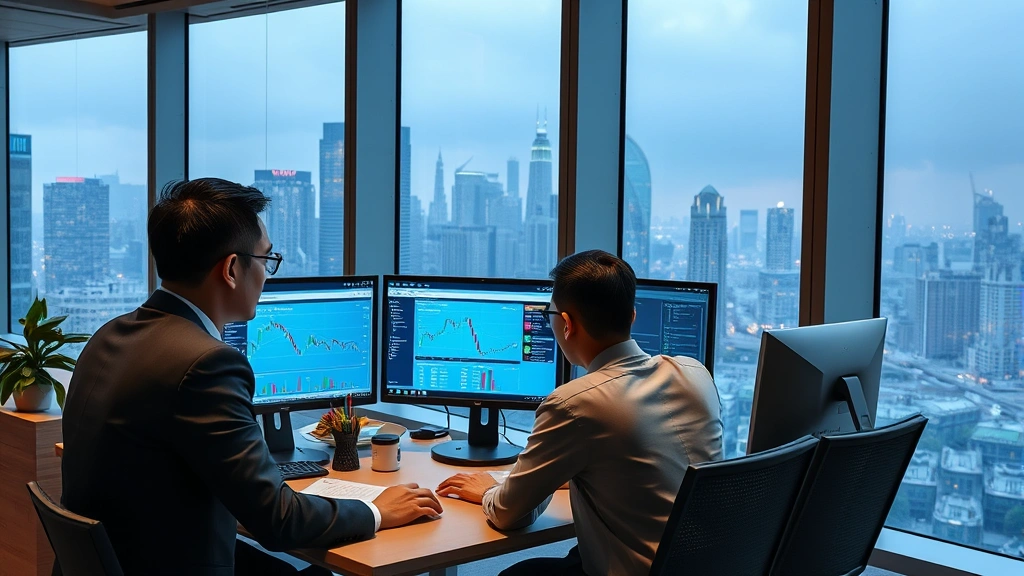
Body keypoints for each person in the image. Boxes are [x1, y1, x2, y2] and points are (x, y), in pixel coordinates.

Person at [61, 179, 443, 576]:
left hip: (131, 557)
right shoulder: (205, 363)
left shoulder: (108, 336)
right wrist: (375, 510)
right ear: (230, 269)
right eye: (266, 259)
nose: (267, 275)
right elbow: (279, 520)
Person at [437, 250, 723, 575]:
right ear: (631, 316)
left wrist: (490, 491)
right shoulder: (695, 373)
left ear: (567, 324)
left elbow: (509, 515)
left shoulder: (574, 404)